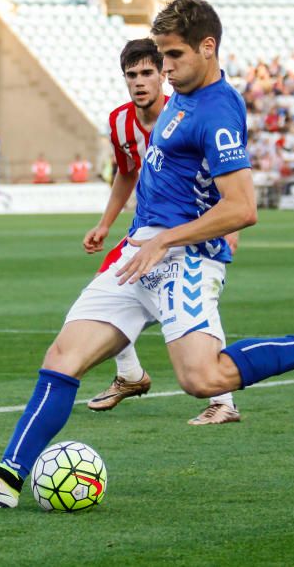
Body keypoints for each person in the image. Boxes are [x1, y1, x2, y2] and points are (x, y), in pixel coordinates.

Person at [0, 0, 294, 508]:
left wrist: (167, 238)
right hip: (139, 252)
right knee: (62, 357)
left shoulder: (215, 111)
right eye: (161, 59)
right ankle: (7, 477)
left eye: (172, 56)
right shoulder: (184, 98)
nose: (165, 69)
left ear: (207, 47)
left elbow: (243, 207)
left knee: (203, 378)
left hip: (182, 260)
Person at [82, 38, 242, 426]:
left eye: (147, 73)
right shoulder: (120, 121)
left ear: (163, 76)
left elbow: (227, 175)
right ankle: (130, 375)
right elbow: (126, 172)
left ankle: (222, 399)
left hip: (193, 224)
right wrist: (106, 223)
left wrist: (231, 229)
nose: (139, 82)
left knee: (197, 301)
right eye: (131, 75)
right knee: (111, 280)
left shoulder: (186, 114)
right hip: (149, 226)